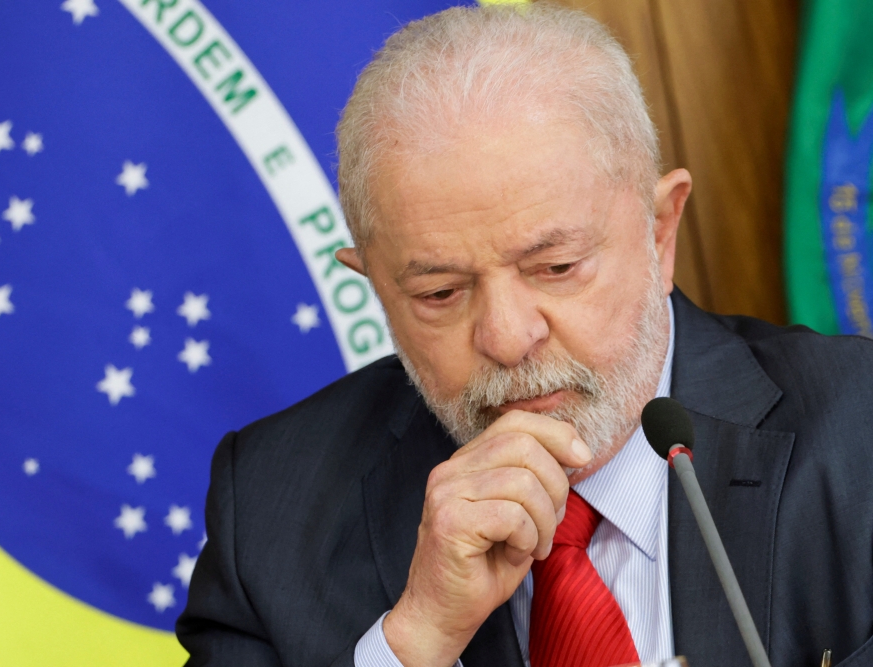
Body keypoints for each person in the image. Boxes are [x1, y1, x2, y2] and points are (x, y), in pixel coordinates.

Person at [176, 4, 873, 667]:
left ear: (660, 232)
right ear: (376, 284)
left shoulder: (859, 430)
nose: (508, 339)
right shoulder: (269, 512)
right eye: (440, 293)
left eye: (556, 268)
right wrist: (415, 640)